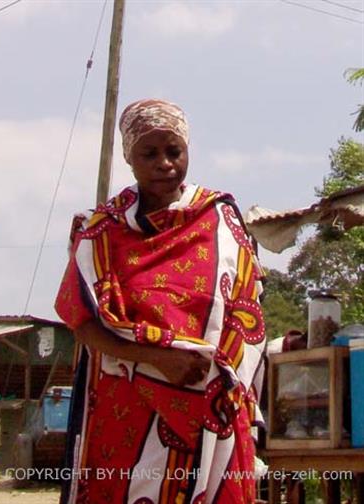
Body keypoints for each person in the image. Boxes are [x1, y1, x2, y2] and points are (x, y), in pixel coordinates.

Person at [55, 99, 266, 504]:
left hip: (210, 406)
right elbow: (81, 320)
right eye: (149, 153)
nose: (164, 163)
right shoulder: (102, 233)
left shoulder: (219, 221)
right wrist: (154, 359)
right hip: (127, 408)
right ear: (129, 159)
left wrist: (212, 372)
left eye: (174, 151)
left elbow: (247, 311)